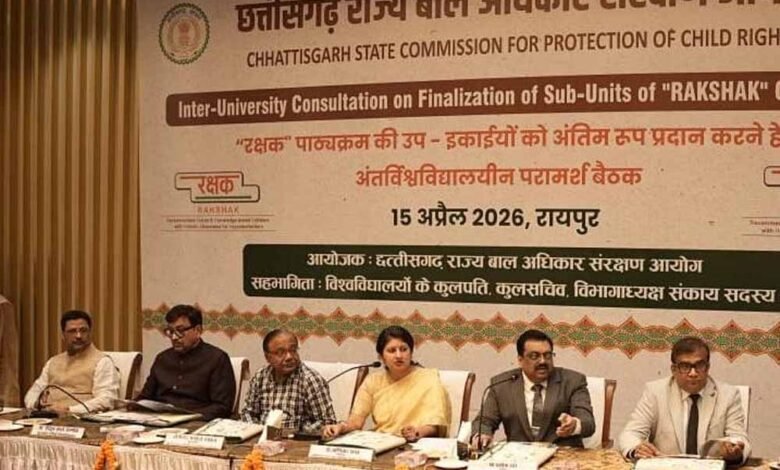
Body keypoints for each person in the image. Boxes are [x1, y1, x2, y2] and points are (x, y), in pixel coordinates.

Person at [618, 336, 751, 463]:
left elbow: (739, 438)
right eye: (685, 367)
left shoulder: (729, 395)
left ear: (708, 367)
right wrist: (637, 448)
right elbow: (630, 433)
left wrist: (735, 452)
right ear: (674, 369)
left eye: (699, 365)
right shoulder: (655, 392)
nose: (693, 373)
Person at [322, 325, 450, 441]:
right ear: (381, 357)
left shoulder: (428, 378)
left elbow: (436, 426)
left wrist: (417, 432)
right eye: (392, 350)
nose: (399, 355)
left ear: (411, 353)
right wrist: (340, 427)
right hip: (383, 443)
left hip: (417, 444)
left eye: (403, 349)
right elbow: (356, 421)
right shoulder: (373, 381)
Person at [472, 329, 595, 448]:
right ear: (520, 360)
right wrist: (482, 435)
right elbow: (484, 422)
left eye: (547, 355)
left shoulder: (573, 381)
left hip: (563, 457)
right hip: (520, 457)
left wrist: (575, 425)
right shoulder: (502, 385)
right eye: (534, 356)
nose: (543, 361)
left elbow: (588, 422)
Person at [136, 304, 235, 420]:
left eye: (180, 331)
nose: (174, 337)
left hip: (197, 422)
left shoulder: (217, 359)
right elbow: (145, 397)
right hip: (159, 420)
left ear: (197, 330)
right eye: (170, 331)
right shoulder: (162, 358)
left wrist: (189, 417)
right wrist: (131, 406)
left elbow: (222, 407)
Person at [24, 310, 120, 415]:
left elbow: (106, 400)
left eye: (83, 330)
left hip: (79, 419)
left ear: (90, 333)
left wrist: (69, 410)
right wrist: (37, 405)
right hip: (46, 417)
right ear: (63, 335)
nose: (78, 336)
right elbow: (33, 392)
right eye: (72, 331)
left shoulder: (102, 361)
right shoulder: (53, 361)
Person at [240, 329, 337, 431]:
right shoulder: (260, 376)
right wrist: (258, 432)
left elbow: (328, 422)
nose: (289, 357)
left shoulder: (310, 380)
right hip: (262, 436)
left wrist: (298, 434)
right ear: (267, 357)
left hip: (296, 438)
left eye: (293, 350)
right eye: (280, 352)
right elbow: (248, 413)